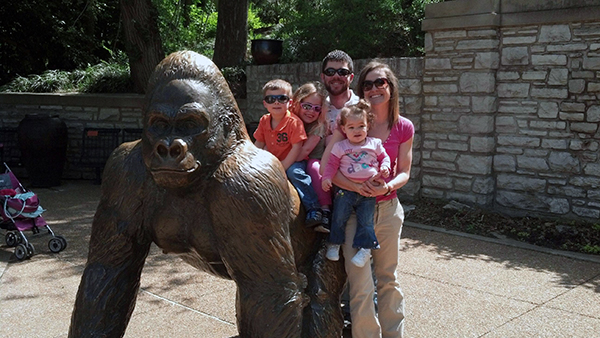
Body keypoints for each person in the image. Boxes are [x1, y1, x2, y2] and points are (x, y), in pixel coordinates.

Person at [321, 61, 414, 338]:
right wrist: (356, 187)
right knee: (360, 286)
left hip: (387, 211)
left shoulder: (403, 127)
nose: (374, 89)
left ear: (390, 87)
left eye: (380, 82)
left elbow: (405, 172)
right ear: (361, 89)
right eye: (368, 84)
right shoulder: (349, 123)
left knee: (388, 280)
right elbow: (329, 167)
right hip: (352, 211)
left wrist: (384, 188)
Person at [322, 100, 391, 268]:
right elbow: (331, 165)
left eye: (361, 126)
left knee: (366, 221)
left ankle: (366, 248)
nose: (357, 130)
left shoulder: (374, 143)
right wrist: (327, 178)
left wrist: (385, 166)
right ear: (344, 130)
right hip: (346, 190)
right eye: (351, 127)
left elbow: (384, 157)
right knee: (339, 217)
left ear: (368, 126)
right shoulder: (340, 147)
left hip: (369, 191)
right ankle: (334, 244)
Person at [253, 79, 322, 226]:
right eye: (271, 99)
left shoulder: (293, 122)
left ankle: (313, 208)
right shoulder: (264, 120)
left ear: (289, 102)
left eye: (282, 98)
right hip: (273, 160)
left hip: (292, 161)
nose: (276, 103)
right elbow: (259, 143)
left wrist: (283, 167)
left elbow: (297, 148)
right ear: (265, 103)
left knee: (295, 173)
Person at [290, 82, 332, 231]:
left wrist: (282, 164)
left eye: (316, 108)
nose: (311, 112)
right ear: (297, 103)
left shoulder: (317, 126)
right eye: (306, 106)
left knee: (308, 169)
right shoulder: (290, 120)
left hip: (309, 158)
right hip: (292, 157)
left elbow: (304, 152)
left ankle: (320, 209)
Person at [320, 50, 360, 137]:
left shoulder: (362, 107)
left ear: (351, 77)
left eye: (342, 72)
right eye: (330, 72)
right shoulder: (316, 110)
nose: (336, 76)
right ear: (323, 77)